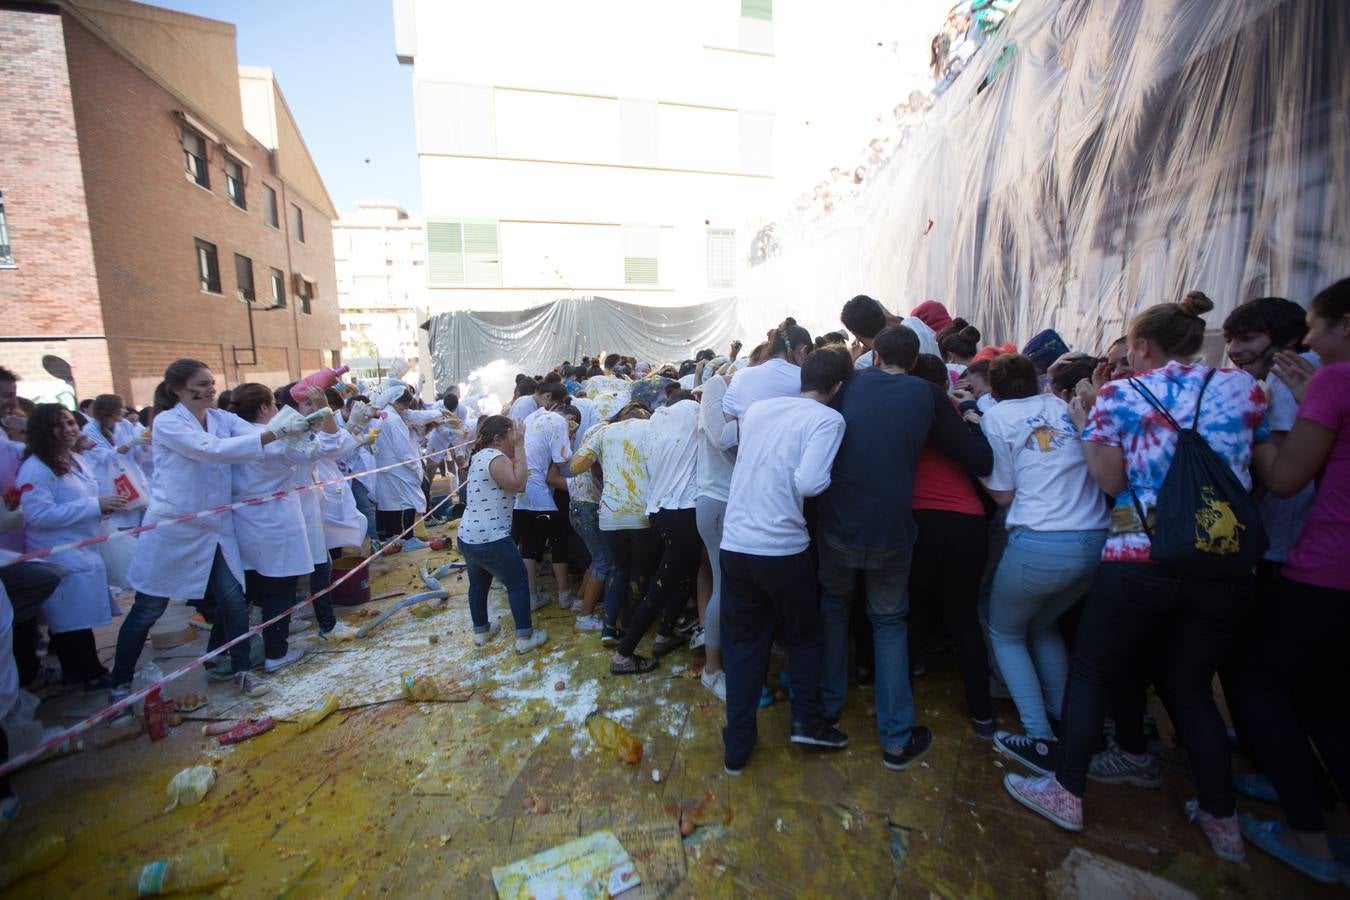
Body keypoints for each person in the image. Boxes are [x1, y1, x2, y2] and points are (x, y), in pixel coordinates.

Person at [1005, 292, 1267, 864]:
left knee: (1091, 670)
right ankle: (1222, 820)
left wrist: (1086, 423)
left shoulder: (1120, 395)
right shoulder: (1243, 389)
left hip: (1139, 556)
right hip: (1224, 559)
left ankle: (1067, 790)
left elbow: (1110, 481)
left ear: (1141, 345)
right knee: (1192, 688)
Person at [818, 327, 992, 771]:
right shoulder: (927, 395)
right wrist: (969, 416)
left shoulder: (852, 384)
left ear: (875, 356)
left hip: (839, 525)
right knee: (890, 622)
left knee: (834, 608)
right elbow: (979, 459)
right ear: (914, 363)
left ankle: (825, 711)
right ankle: (896, 739)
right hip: (891, 531)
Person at [1236, 278, 1350, 884]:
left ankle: (1306, 832)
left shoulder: (1331, 381)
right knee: (1322, 696)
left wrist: (1252, 427)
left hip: (1323, 563)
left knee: (1255, 679)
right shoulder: (1323, 382)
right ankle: (1309, 793)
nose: (1308, 344)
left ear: (1345, 325)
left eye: (1315, 330)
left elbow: (1283, 479)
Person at [111, 360, 303, 704]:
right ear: (178, 389)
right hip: (174, 529)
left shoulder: (220, 418)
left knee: (233, 599)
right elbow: (212, 451)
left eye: (212, 382)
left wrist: (299, 423)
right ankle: (119, 684)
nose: (211, 389)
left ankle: (241, 668)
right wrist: (277, 432)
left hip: (216, 526)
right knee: (149, 609)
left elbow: (252, 433)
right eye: (202, 384)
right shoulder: (168, 423)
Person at [719, 350, 851, 775]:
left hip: (736, 544)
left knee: (743, 644)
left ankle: (737, 747)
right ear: (837, 387)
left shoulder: (759, 410)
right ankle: (808, 723)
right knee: (805, 635)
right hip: (782, 548)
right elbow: (810, 483)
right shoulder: (828, 419)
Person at [979, 354, 1109, 774]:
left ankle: (1039, 737)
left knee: (1005, 632)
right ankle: (1064, 716)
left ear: (994, 390)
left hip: (1040, 540)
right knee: (1042, 625)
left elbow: (1002, 494)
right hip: (1095, 539)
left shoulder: (996, 418)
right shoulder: (1063, 406)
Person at [906, 354, 997, 738]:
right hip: (966, 521)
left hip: (919, 520)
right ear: (946, 382)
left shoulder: (904, 413)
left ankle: (906, 698)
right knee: (963, 615)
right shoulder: (961, 413)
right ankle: (982, 713)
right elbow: (982, 462)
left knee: (908, 607)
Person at [17, 405, 122, 690]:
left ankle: (82, 671)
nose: (68, 429)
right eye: (58, 425)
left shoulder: (74, 459)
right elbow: (38, 515)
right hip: (59, 553)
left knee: (78, 618)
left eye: (70, 422)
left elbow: (85, 496)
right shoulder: (35, 469)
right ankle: (88, 673)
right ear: (42, 431)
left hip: (82, 548)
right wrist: (94, 506)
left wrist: (103, 508)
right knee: (68, 620)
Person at [609, 392, 701, 675]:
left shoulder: (657, 422)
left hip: (658, 512)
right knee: (662, 585)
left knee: (685, 575)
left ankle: (664, 634)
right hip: (683, 511)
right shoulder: (693, 411)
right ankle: (623, 655)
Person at [227, 384, 317, 673]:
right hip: (275, 521)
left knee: (255, 588)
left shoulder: (232, 434)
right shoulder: (271, 439)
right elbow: (308, 453)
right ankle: (276, 653)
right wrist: (311, 425)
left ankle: (241, 651)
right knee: (279, 589)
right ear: (264, 408)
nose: (278, 410)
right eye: (274, 405)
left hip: (245, 521)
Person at [456, 416, 547, 654]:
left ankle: (481, 631)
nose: (515, 440)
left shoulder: (480, 456)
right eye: (511, 437)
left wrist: (516, 449)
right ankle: (525, 637)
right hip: (491, 537)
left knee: (478, 585)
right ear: (497, 439)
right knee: (518, 582)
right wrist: (520, 446)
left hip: (469, 535)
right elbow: (519, 484)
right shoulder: (494, 457)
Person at [570, 402, 657, 647]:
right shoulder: (651, 427)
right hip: (641, 514)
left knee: (618, 569)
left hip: (609, 515)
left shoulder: (605, 432)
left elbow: (576, 465)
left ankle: (608, 628)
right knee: (639, 570)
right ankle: (630, 626)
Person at [693, 358, 740, 702]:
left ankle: (723, 654)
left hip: (720, 502)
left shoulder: (727, 399)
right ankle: (711, 670)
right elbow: (723, 438)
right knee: (724, 588)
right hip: (719, 502)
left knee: (726, 584)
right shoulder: (717, 393)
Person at [513, 383, 573, 611]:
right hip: (539, 493)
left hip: (521, 492)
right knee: (558, 541)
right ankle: (564, 595)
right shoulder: (558, 421)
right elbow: (561, 461)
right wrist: (569, 441)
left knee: (528, 545)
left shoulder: (531, 418)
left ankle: (531, 598)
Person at [722, 318, 813, 444]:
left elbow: (728, 422)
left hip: (747, 454)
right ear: (804, 351)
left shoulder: (740, 376)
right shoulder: (807, 379)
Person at [563, 400, 609, 633]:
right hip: (589, 505)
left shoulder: (594, 429)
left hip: (577, 504)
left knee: (596, 557)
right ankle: (585, 617)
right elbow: (596, 470)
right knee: (604, 562)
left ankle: (581, 601)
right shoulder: (607, 433)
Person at [371, 386, 425, 539]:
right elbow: (402, 449)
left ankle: (392, 537)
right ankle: (407, 538)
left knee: (390, 502)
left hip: (386, 466)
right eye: (404, 405)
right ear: (396, 401)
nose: (405, 409)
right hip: (399, 466)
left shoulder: (384, 416)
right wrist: (414, 467)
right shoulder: (394, 419)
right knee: (407, 501)